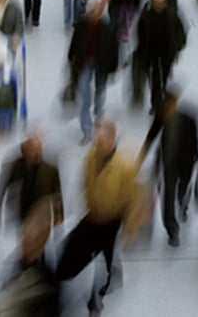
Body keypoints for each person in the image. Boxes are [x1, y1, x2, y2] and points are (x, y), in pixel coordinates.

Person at [54, 120, 144, 312]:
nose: (96, 143)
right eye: (95, 139)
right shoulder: (91, 157)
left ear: (112, 139)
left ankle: (97, 299)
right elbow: (85, 181)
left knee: (104, 262)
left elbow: (132, 200)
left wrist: (130, 229)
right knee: (72, 251)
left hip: (111, 221)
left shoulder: (124, 167)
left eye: (101, 139)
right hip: (92, 216)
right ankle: (66, 281)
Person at [137, 88, 198, 248]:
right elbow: (150, 139)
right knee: (168, 196)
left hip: (186, 164)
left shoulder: (189, 118)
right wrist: (138, 162)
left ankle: (184, 203)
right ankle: (172, 230)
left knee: (183, 189)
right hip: (168, 164)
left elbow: (197, 143)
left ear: (176, 103)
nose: (167, 111)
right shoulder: (161, 117)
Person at [68, 0, 118, 144]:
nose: (98, 11)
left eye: (100, 8)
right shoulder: (81, 24)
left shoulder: (107, 26)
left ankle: (98, 114)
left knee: (100, 92)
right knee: (84, 96)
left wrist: (113, 66)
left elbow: (113, 48)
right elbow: (75, 42)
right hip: (85, 62)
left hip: (102, 64)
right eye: (94, 8)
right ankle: (87, 130)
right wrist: (71, 58)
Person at [0, 132, 63, 231]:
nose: (37, 153)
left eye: (39, 149)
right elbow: (2, 187)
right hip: (24, 213)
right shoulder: (16, 165)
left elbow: (58, 195)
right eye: (33, 150)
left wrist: (59, 216)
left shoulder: (51, 170)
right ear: (25, 152)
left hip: (41, 216)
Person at [134, 0, 187, 113]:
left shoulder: (171, 11)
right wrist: (141, 51)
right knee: (155, 79)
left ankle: (163, 97)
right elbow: (140, 31)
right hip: (151, 52)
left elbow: (180, 29)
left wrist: (179, 45)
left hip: (167, 52)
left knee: (165, 76)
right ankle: (156, 104)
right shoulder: (147, 10)